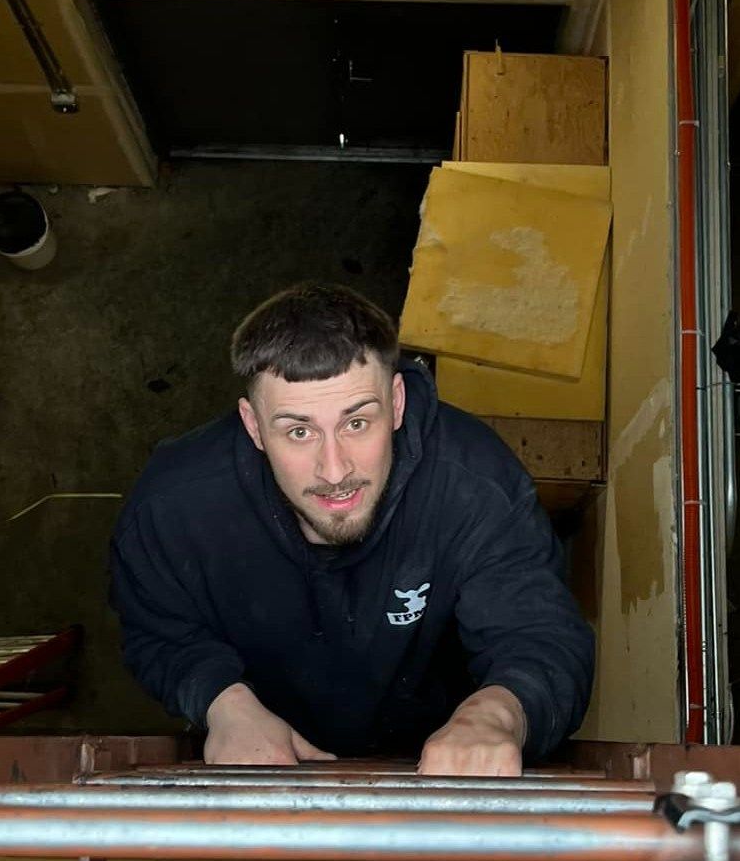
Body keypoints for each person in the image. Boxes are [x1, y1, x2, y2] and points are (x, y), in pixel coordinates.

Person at [108, 282, 594, 776]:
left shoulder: (475, 484)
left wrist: (494, 716)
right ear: (253, 426)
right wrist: (223, 704)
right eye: (299, 431)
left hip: (430, 751)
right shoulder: (172, 507)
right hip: (256, 742)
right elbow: (157, 629)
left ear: (398, 402)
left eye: (357, 423)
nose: (335, 470)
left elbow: (539, 635)